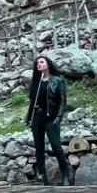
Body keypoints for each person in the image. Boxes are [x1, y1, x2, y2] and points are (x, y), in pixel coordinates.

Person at [24, 55, 73, 186]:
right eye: (37, 63)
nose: (38, 64)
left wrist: (58, 119)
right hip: (38, 118)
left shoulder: (58, 81)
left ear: (48, 64)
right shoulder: (36, 82)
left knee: (56, 146)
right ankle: (42, 175)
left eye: (41, 62)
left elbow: (63, 102)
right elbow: (32, 103)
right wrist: (29, 118)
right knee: (39, 148)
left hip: (51, 118)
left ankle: (65, 175)